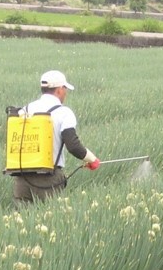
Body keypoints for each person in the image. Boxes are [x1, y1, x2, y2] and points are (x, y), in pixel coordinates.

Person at [13, 70, 100, 204]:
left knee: (22, 222)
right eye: (65, 89)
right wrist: (92, 159)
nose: (66, 93)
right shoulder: (64, 113)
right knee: (50, 221)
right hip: (48, 179)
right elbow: (73, 145)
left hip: (21, 179)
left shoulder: (23, 110)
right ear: (59, 90)